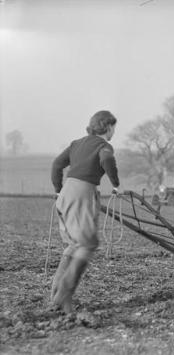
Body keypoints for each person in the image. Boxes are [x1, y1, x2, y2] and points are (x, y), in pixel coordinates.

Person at [50, 110, 120, 313]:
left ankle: (55, 293)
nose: (114, 132)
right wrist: (115, 184)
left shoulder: (76, 144)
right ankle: (64, 293)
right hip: (83, 192)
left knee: (75, 244)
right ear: (107, 127)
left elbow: (56, 165)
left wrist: (57, 189)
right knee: (88, 243)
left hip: (66, 193)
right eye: (113, 128)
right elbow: (107, 161)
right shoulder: (104, 145)